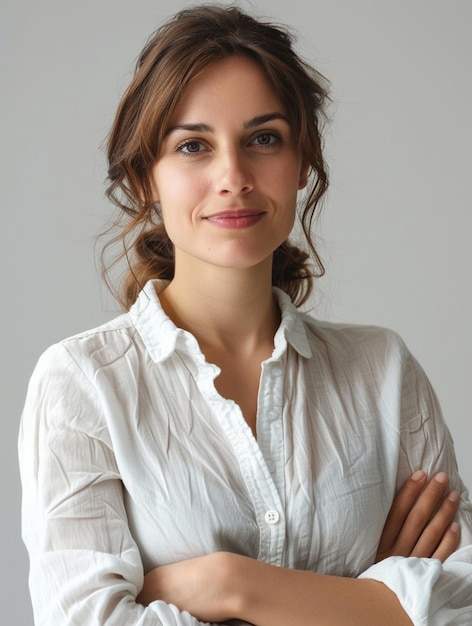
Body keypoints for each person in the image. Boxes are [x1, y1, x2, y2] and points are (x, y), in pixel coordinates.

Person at [19, 5, 472, 625]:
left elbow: (463, 603)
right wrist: (371, 604)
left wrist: (230, 585)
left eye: (263, 139)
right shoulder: (83, 384)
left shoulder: (385, 372)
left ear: (303, 163)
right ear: (146, 175)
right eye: (193, 146)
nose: (233, 176)